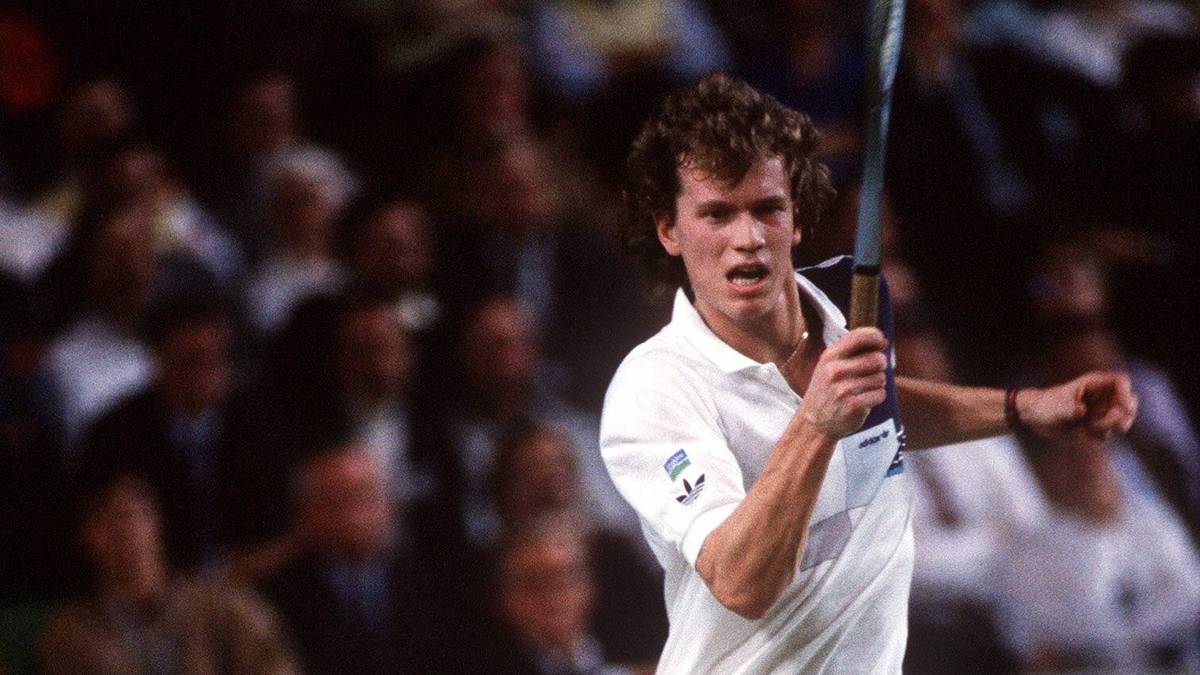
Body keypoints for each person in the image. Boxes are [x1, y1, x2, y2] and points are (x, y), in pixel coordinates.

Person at [600, 72, 1138, 673]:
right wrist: (815, 425)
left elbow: (878, 409)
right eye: (717, 215)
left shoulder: (848, 312)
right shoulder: (653, 390)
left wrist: (1025, 408)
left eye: (767, 209)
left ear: (797, 219)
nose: (747, 239)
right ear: (668, 229)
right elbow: (741, 582)